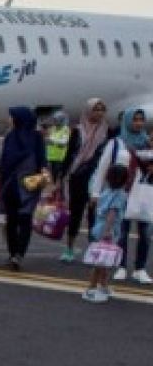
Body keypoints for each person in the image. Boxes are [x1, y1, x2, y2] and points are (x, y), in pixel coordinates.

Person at [91, 108, 151, 284]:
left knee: (145, 233)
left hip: (143, 194)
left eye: (141, 120)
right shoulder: (116, 143)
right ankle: (121, 266)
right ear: (127, 121)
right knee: (121, 232)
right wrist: (95, 193)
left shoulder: (147, 143)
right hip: (121, 194)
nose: (139, 123)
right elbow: (102, 170)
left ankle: (140, 269)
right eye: (135, 119)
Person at [0, 106, 49, 271]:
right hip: (10, 183)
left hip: (28, 183)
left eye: (12, 117)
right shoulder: (10, 136)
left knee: (25, 218)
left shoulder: (36, 138)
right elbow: (3, 161)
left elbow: (42, 159)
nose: (10, 119)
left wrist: (46, 178)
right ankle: (13, 253)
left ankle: (19, 253)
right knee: (11, 220)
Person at [63, 98, 112, 263]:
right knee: (75, 213)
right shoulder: (77, 130)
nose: (99, 112)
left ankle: (92, 250)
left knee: (94, 216)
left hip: (97, 177)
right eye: (96, 109)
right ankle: (69, 248)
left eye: (101, 109)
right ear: (88, 110)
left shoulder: (107, 132)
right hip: (78, 175)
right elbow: (69, 154)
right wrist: (60, 178)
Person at [83, 165, 129, 303]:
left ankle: (103, 286)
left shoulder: (105, 191)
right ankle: (91, 288)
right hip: (108, 230)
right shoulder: (120, 195)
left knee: (102, 261)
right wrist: (108, 231)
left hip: (98, 227)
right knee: (101, 263)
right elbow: (112, 214)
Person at [45, 111, 72, 183]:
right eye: (53, 119)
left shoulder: (66, 130)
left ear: (61, 120)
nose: (53, 121)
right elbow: (49, 140)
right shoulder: (52, 128)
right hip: (50, 156)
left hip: (60, 158)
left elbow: (64, 143)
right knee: (51, 175)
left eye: (55, 119)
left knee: (57, 177)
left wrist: (52, 141)